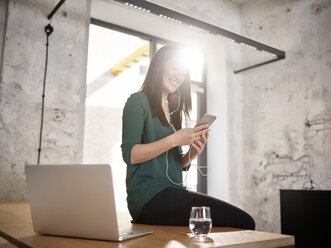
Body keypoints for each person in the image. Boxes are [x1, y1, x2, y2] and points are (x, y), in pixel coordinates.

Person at [121, 45, 255, 230]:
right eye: (174, 67)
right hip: (148, 197)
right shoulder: (138, 101)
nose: (178, 76)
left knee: (240, 222)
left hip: (172, 193)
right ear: (160, 65)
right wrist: (175, 140)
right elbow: (131, 155)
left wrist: (191, 154)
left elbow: (173, 164)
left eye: (183, 72)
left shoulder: (172, 111)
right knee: (243, 221)